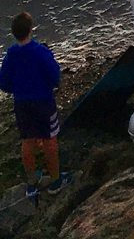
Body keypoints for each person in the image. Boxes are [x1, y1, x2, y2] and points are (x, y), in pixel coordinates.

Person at [0, 12, 70, 198]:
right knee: (49, 139)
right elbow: (55, 76)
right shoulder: (41, 52)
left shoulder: (11, 56)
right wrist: (52, 85)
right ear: (31, 31)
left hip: (22, 104)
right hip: (43, 101)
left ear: (14, 34)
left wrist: (17, 89)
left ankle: (31, 182)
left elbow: (3, 82)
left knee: (28, 141)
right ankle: (55, 180)